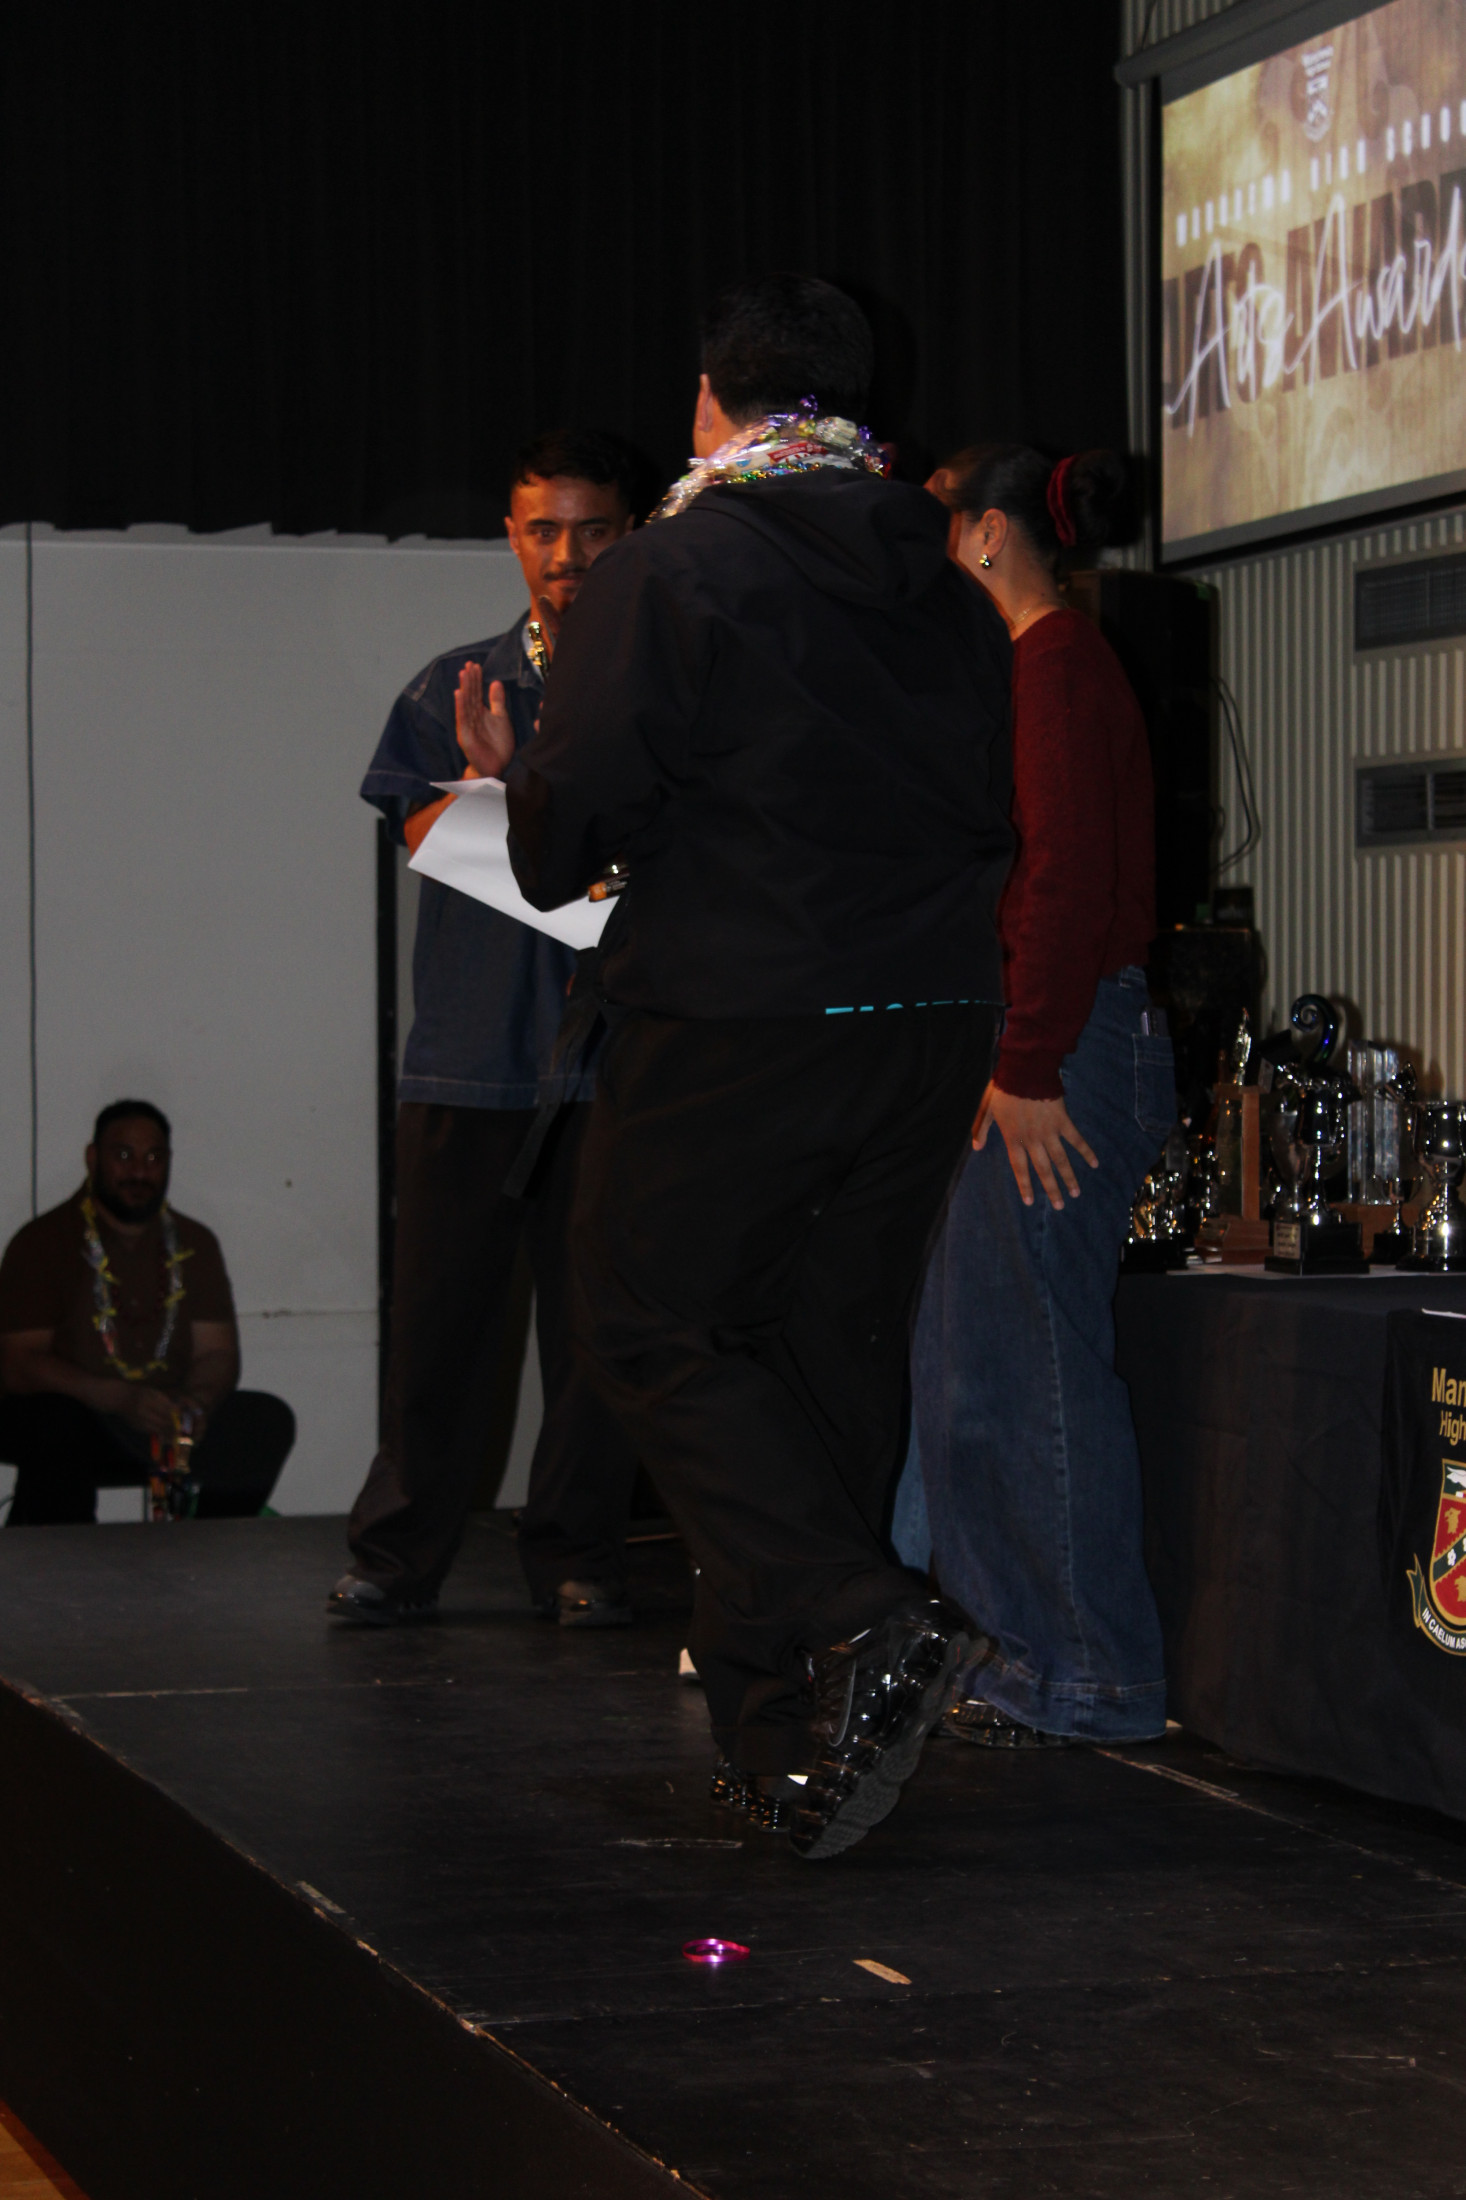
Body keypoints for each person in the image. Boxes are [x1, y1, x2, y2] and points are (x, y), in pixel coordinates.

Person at [503, 274, 1014, 1859]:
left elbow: (559, 837)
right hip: (925, 1017)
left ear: (710, 404)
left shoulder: (669, 568)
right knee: (823, 1360)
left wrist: (534, 789)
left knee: (642, 1317)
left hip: (742, 1009)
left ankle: (860, 1613)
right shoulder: (946, 585)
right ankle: (787, 1741)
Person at [333, 428, 647, 1628]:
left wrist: (511, 810)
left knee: (596, 1341)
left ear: (631, 533)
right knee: (437, 1338)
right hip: (466, 1068)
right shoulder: (452, 686)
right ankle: (395, 1553)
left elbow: (655, 887)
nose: (566, 557)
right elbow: (446, 849)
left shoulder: (658, 690)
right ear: (511, 538)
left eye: (593, 530)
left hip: (610, 1069)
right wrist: (526, 819)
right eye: (543, 531)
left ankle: (576, 1556)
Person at [891, 443, 1176, 1746]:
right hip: (1033, 1041)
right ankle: (1016, 1656)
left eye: (938, 528)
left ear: (988, 533)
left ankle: (1087, 1674)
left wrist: (1024, 1064)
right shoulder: (1030, 664)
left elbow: (1061, 877)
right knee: (972, 1366)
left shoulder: (1054, 661)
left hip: (1059, 1047)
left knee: (1026, 1369)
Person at [0, 1101, 294, 1523]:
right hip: (83, 1418)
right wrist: (118, 1398)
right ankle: (63, 1559)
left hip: (166, 1421)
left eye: (153, 1158)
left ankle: (204, 1547)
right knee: (54, 1424)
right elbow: (17, 1365)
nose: (139, 1172)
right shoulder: (42, 1241)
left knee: (265, 1419)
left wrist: (196, 1405)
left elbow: (218, 1353)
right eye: (123, 1155)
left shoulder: (196, 1242)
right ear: (92, 1158)